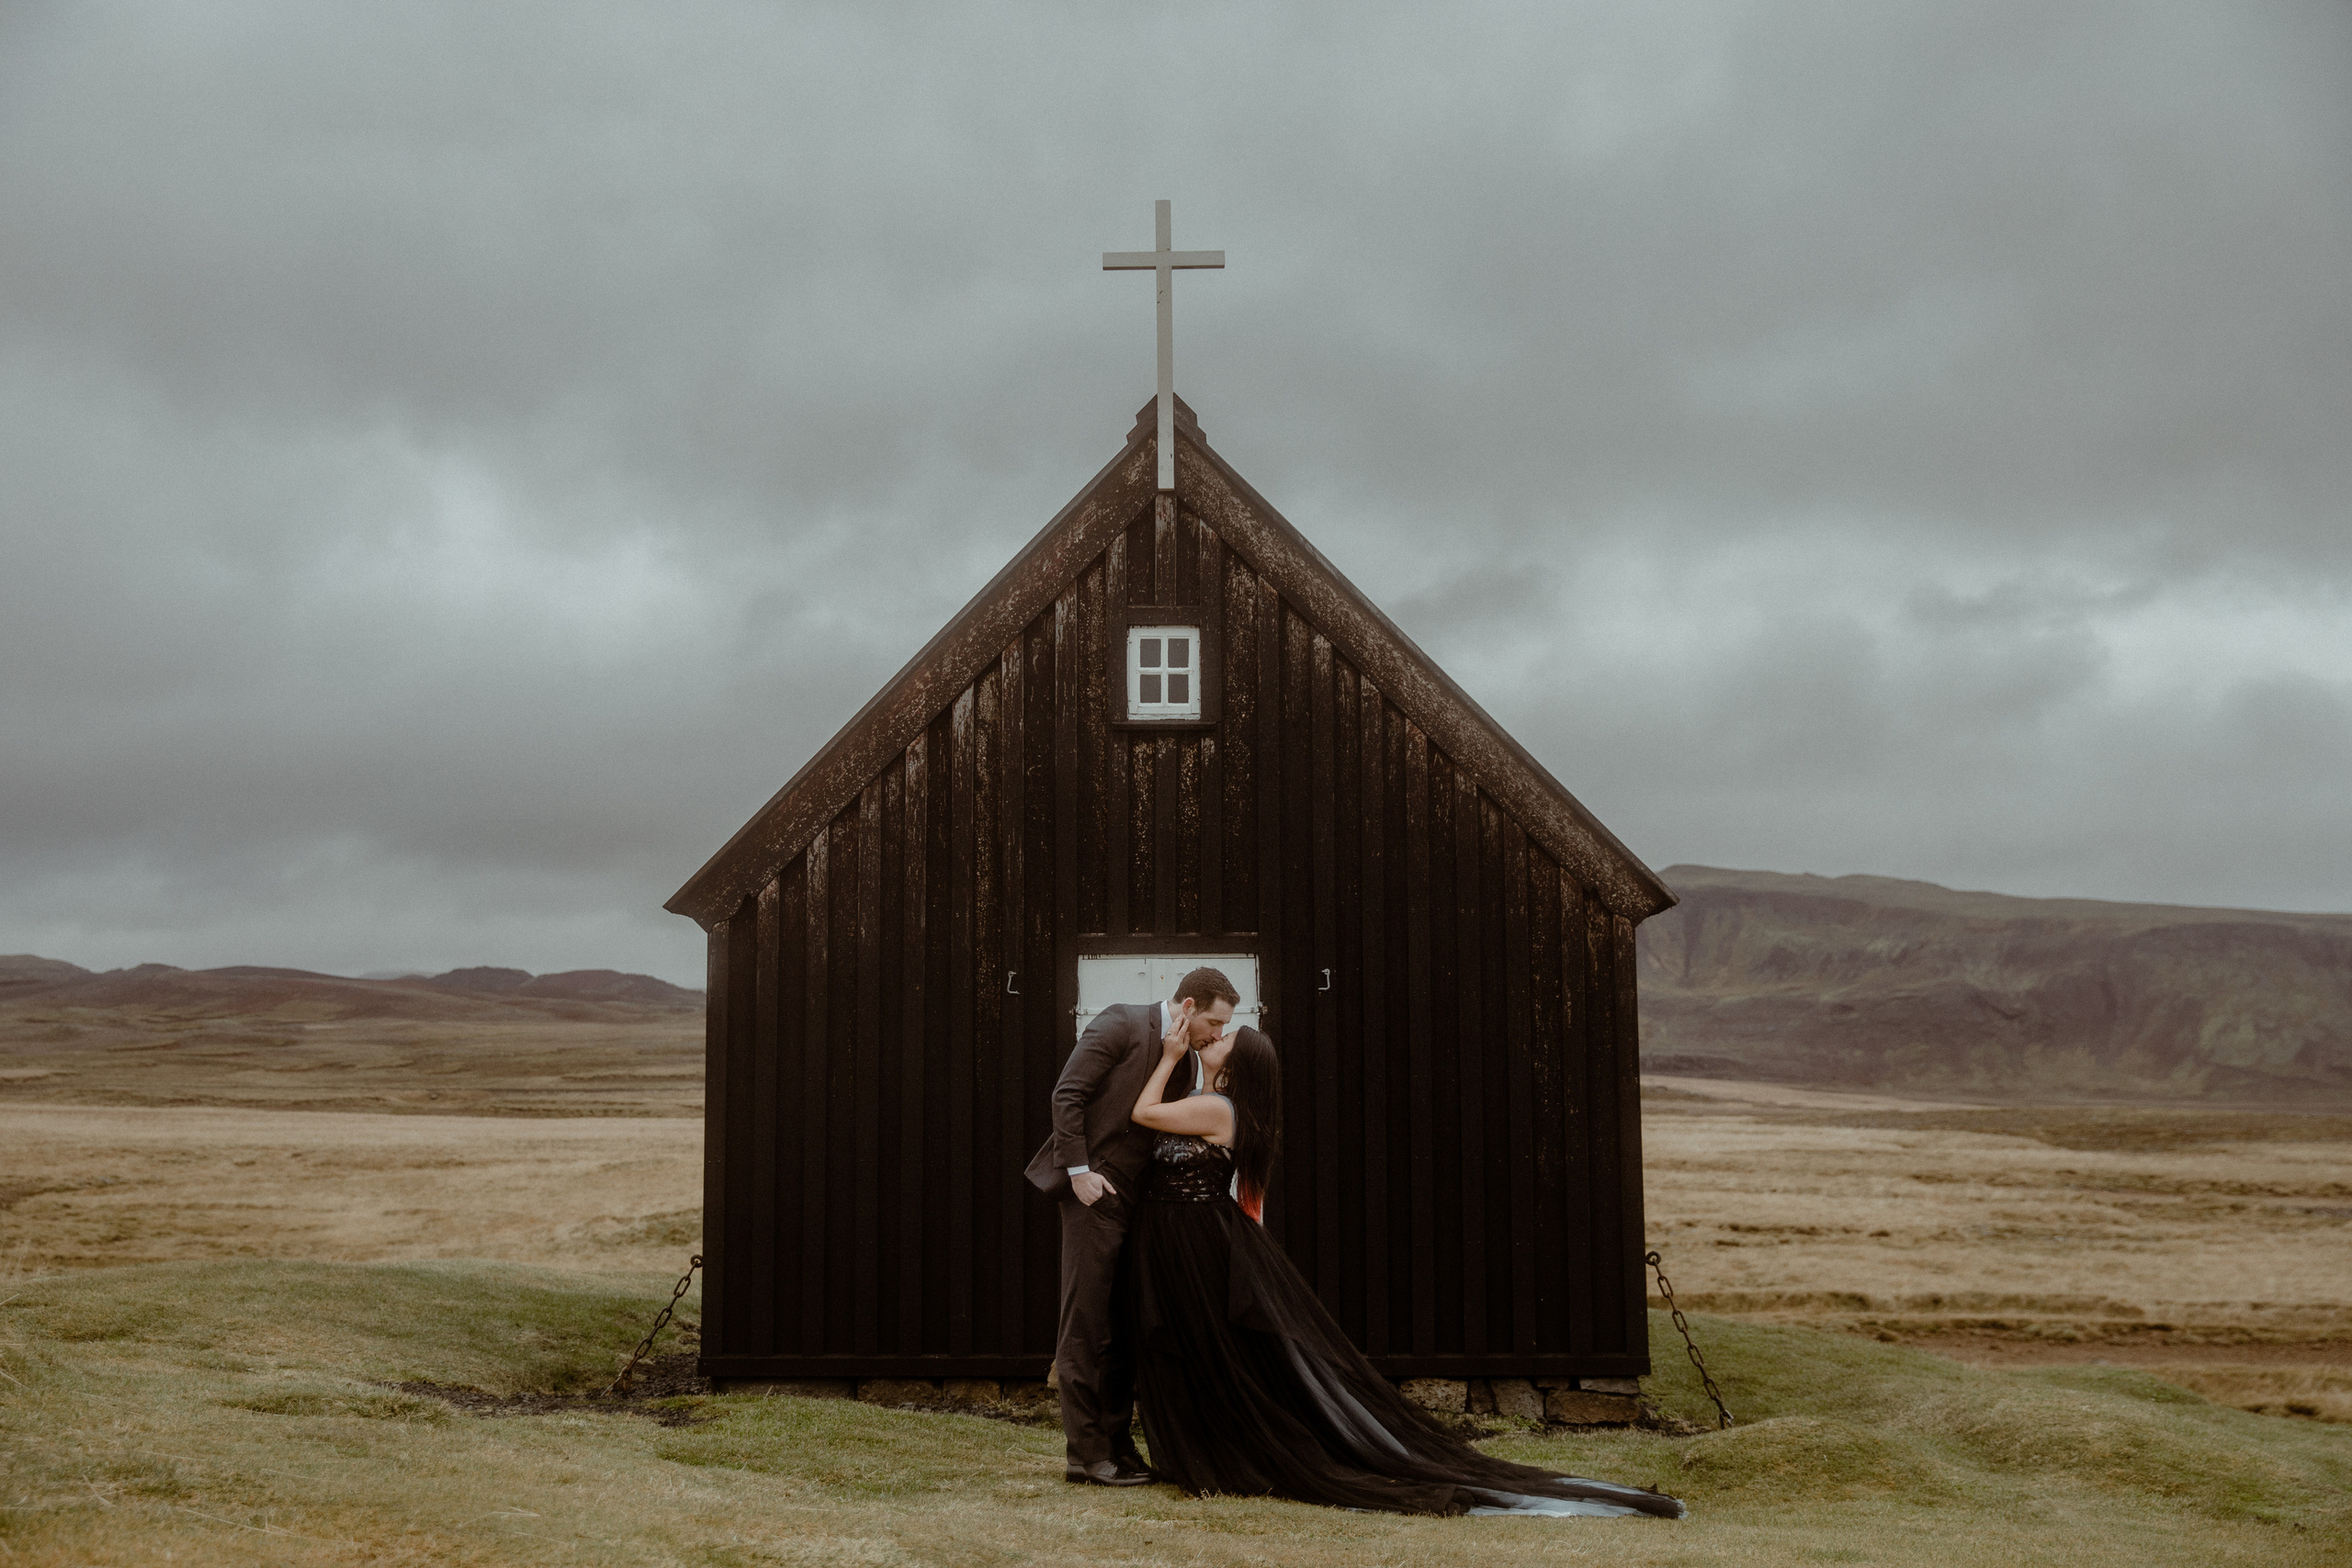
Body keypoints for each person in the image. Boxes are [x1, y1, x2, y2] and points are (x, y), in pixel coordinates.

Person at [1123, 1021, 1687, 1519]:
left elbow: (1142, 1114)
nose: (1216, 1037)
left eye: (1226, 1038)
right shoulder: (1204, 1098)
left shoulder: (1217, 1108)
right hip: (1182, 1240)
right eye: (1219, 1033)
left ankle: (1231, 1455)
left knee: (1215, 1349)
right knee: (1202, 1348)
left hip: (1199, 1240)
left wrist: (1171, 1056)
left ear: (1239, 1066)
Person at [1023, 966, 1238, 1486]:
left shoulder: (1185, 1062)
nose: (1215, 1034)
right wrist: (1079, 1173)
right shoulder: (1119, 1023)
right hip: (1093, 1195)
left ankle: (1118, 1447)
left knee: (1122, 1328)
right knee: (1084, 1325)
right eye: (1213, 1021)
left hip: (1138, 1206)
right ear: (1188, 1006)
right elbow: (1067, 1096)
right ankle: (1085, 1455)